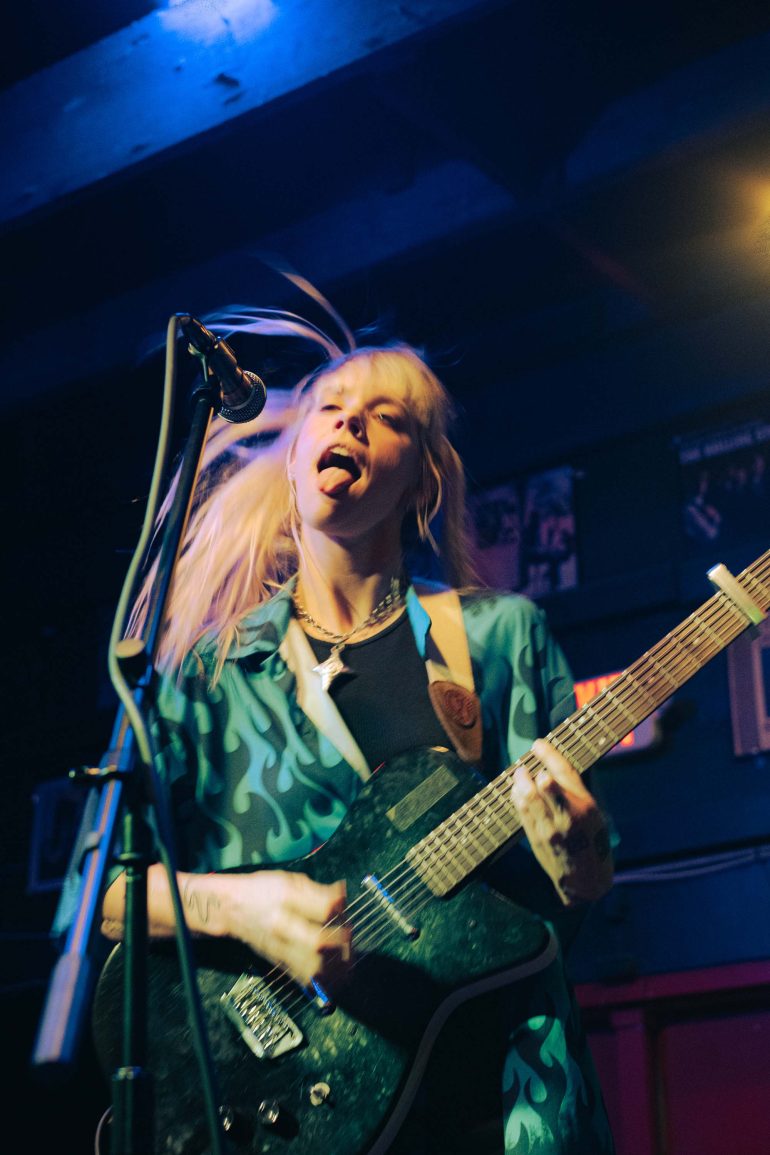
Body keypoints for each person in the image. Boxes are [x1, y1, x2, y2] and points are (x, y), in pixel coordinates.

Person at [100, 291, 616, 1154]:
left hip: (492, 1110)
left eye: (388, 417)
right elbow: (107, 895)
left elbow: (561, 902)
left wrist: (585, 866)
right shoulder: (209, 670)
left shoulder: (497, 638)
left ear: (422, 480)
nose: (351, 423)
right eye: (332, 409)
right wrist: (243, 906)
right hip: (279, 1113)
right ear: (295, 456)